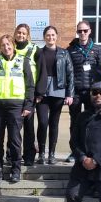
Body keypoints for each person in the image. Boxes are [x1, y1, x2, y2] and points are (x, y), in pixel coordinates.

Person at [0, 34, 35, 183]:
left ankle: (15, 169)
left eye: (8, 44)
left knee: (14, 139)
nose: (6, 47)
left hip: (16, 106)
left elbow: (30, 85)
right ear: (0, 48)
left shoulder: (23, 62)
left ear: (13, 45)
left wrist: (28, 105)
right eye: (3, 45)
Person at [66, 21, 101, 163]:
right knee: (75, 122)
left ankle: (91, 150)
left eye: (85, 31)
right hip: (76, 91)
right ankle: (75, 151)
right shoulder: (70, 50)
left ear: (90, 31)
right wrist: (69, 93)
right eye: (79, 31)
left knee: (92, 121)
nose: (82, 33)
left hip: (93, 93)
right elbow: (68, 73)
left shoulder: (98, 50)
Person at [34, 25, 74, 165]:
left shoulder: (64, 53)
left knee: (54, 123)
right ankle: (41, 154)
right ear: (44, 37)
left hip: (58, 89)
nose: (50, 37)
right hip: (42, 91)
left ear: (56, 36)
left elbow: (70, 74)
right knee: (43, 122)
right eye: (48, 35)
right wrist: (36, 92)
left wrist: (70, 94)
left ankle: (51, 153)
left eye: (53, 35)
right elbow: (35, 73)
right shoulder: (38, 52)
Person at [13, 24, 42, 166]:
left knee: (29, 126)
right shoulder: (9, 48)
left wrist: (39, 93)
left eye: (24, 33)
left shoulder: (35, 49)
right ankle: (12, 154)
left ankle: (29, 156)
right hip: (13, 93)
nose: (21, 35)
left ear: (28, 35)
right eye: (18, 32)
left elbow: (42, 71)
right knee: (13, 126)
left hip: (29, 92)